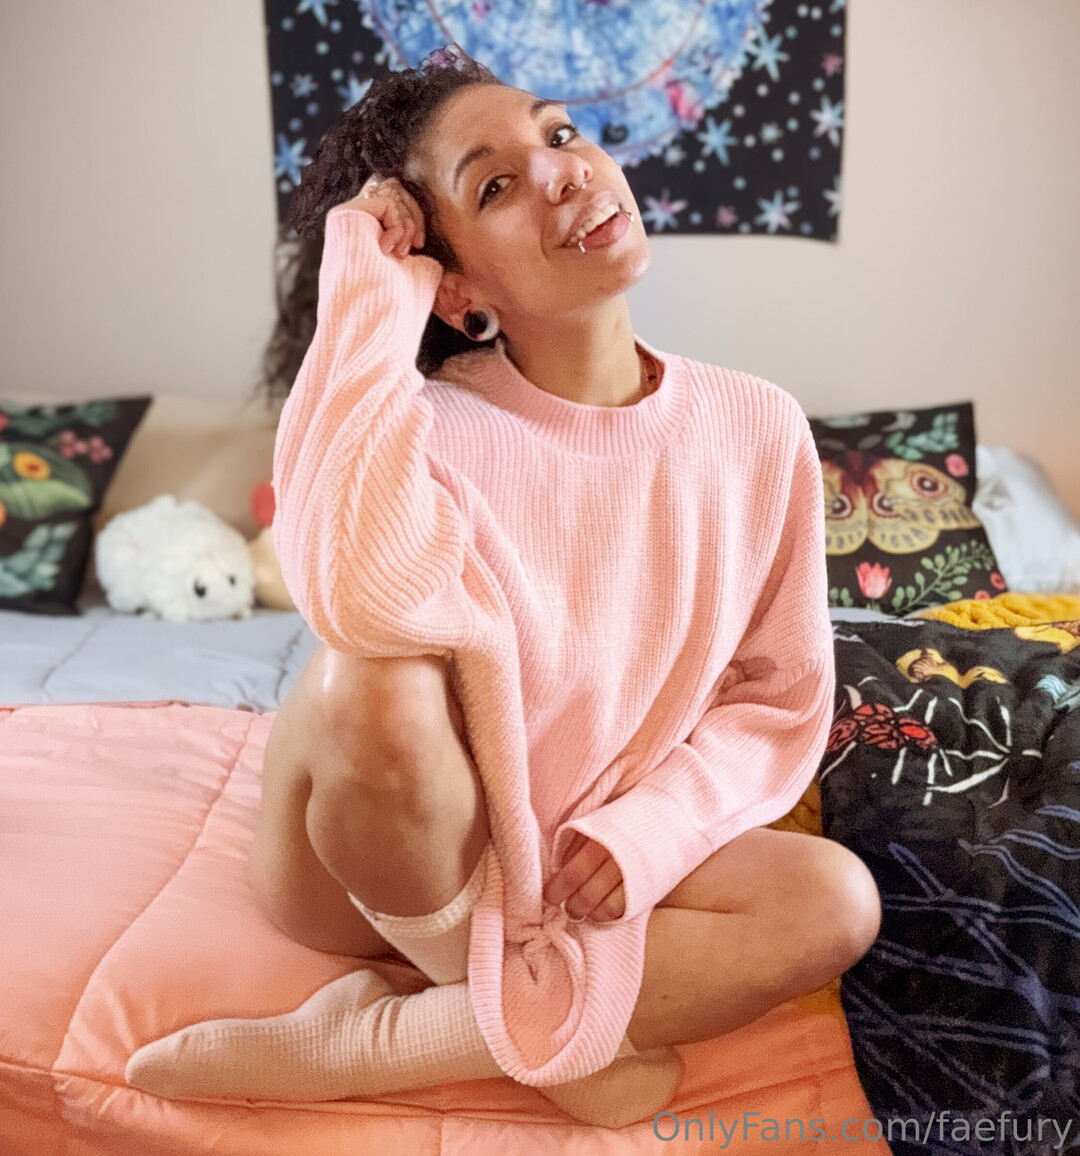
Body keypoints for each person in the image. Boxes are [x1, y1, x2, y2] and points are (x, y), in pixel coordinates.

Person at [125, 45, 882, 1128]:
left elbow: (776, 697)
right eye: (495, 186)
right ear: (458, 290)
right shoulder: (431, 428)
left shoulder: (757, 427)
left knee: (833, 902)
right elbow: (349, 593)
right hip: (377, 864)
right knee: (370, 677)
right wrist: (371, 294)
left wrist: (655, 831)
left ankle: (392, 1040)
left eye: (561, 134)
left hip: (574, 859)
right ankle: (538, 1028)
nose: (563, 172)